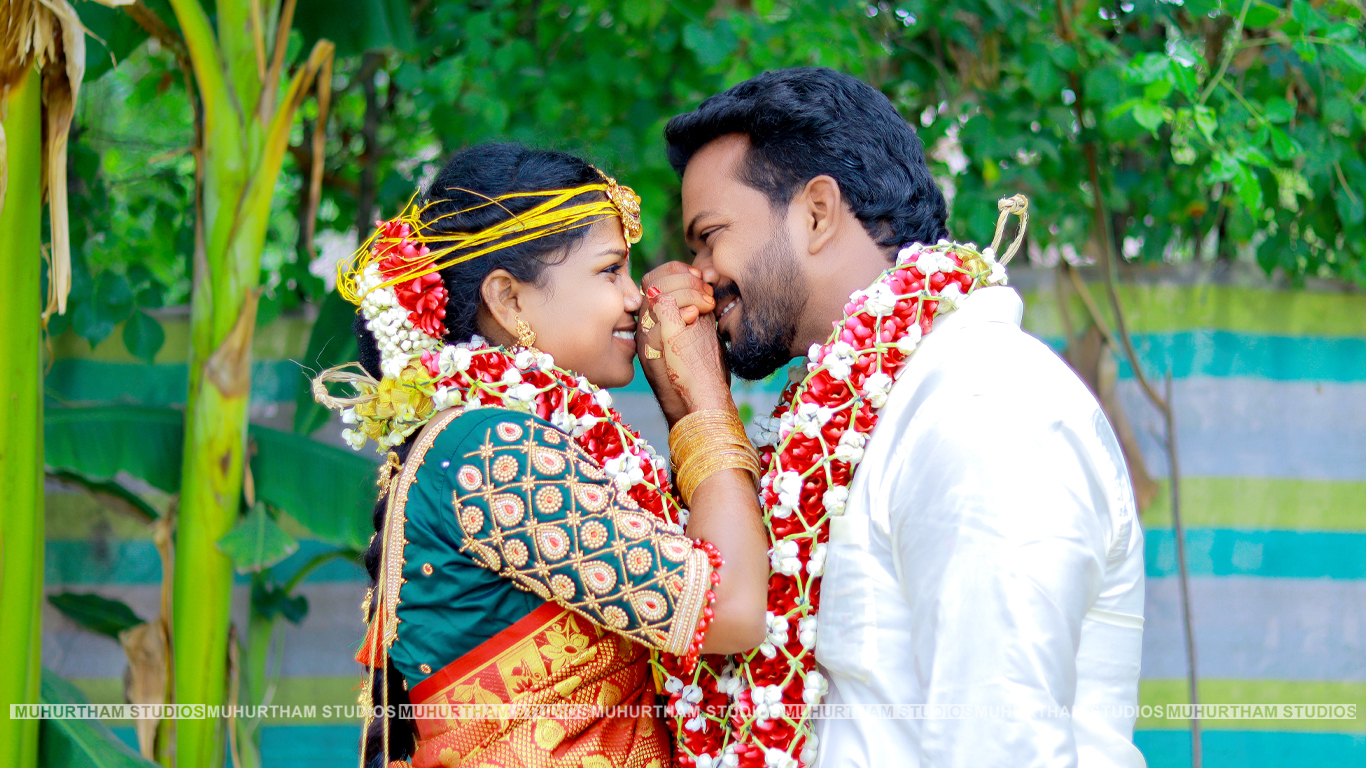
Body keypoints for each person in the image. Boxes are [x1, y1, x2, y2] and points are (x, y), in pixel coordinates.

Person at [638, 68, 1146, 768]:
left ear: (817, 213)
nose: (696, 275)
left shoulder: (980, 405)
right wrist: (698, 411)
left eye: (709, 236)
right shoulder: (855, 413)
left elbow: (1001, 744)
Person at [313, 143, 769, 768]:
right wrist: (707, 398)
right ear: (508, 300)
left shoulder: (490, 437)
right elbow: (731, 612)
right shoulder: (493, 449)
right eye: (610, 271)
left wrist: (680, 407)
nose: (635, 298)